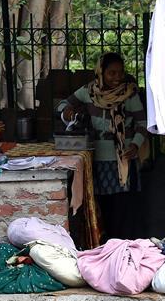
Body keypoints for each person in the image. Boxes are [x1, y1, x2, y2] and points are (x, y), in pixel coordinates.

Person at [59, 52, 147, 240]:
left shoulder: (129, 93)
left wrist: (135, 145)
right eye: (111, 73)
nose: (117, 77)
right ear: (101, 72)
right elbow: (63, 104)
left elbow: (142, 123)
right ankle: (107, 245)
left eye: (120, 72)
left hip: (123, 160)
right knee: (103, 207)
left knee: (123, 209)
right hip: (98, 160)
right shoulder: (88, 92)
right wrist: (66, 111)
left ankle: (124, 246)